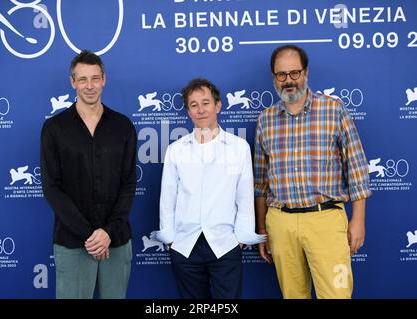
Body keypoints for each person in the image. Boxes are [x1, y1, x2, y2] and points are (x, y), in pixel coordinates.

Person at [254, 45, 371, 299]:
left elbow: (357, 167)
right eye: (281, 74)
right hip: (281, 222)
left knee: (337, 295)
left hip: (325, 219)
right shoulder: (266, 119)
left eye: (294, 73)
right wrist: (261, 229)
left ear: (306, 73)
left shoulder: (333, 109)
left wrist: (358, 219)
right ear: (274, 77)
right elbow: (261, 181)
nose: (288, 81)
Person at [151, 78, 265, 299]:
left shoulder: (238, 148)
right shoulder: (176, 150)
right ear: (188, 111)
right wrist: (172, 239)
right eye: (194, 105)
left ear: (218, 105)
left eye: (206, 103)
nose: (201, 110)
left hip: (225, 244)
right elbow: (167, 198)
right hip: (185, 246)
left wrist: (239, 240)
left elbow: (244, 196)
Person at [40, 50, 136, 299]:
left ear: (104, 79)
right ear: (72, 82)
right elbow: (52, 187)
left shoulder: (123, 126)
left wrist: (108, 232)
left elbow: (128, 184)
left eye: (95, 78)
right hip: (73, 242)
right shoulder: (54, 128)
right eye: (82, 79)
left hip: (116, 241)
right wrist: (90, 235)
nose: (89, 86)